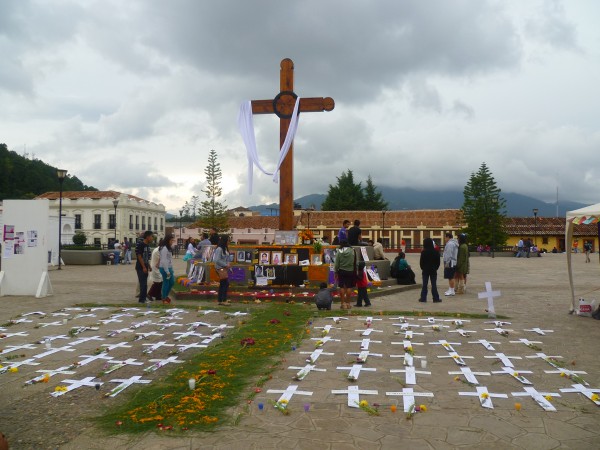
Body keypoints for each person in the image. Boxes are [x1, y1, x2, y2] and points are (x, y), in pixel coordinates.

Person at [334, 239, 356, 310]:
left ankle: (342, 304)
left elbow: (336, 263)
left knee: (342, 287)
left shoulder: (339, 251)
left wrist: (335, 271)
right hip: (350, 270)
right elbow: (356, 261)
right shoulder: (353, 250)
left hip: (342, 271)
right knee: (349, 287)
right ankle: (348, 303)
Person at [419, 237, 441, 303]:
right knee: (434, 284)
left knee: (424, 284)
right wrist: (436, 268)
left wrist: (423, 268)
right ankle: (435, 298)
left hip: (425, 270)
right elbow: (438, 262)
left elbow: (421, 262)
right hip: (433, 270)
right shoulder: (436, 252)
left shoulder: (423, 252)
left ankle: (423, 298)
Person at [135, 231, 154, 304]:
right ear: (147, 237)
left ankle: (144, 298)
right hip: (140, 266)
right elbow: (139, 256)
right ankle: (141, 300)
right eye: (151, 236)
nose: (152, 238)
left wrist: (149, 266)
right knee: (143, 283)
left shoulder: (147, 245)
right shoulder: (141, 244)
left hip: (145, 265)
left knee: (145, 283)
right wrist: (143, 267)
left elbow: (146, 258)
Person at [213, 235, 231, 305]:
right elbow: (217, 260)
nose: (229, 242)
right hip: (220, 268)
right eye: (228, 240)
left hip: (224, 268)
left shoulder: (225, 249)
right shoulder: (219, 249)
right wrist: (225, 265)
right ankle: (223, 300)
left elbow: (227, 258)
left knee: (223, 284)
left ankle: (220, 300)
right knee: (225, 284)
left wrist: (228, 264)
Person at [159, 235, 176, 304]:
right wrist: (167, 271)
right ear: (167, 240)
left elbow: (169, 259)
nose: (172, 242)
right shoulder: (164, 248)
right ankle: (164, 297)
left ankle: (165, 296)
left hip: (169, 267)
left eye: (173, 240)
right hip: (165, 268)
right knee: (166, 283)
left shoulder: (168, 248)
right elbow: (163, 260)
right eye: (171, 240)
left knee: (172, 282)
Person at [442, 232, 459, 296]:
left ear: (448, 237)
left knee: (450, 276)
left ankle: (452, 290)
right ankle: (450, 289)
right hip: (452, 262)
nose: (445, 239)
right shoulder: (453, 243)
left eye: (445, 237)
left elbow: (449, 254)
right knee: (450, 276)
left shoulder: (450, 244)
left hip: (450, 262)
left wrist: (446, 262)